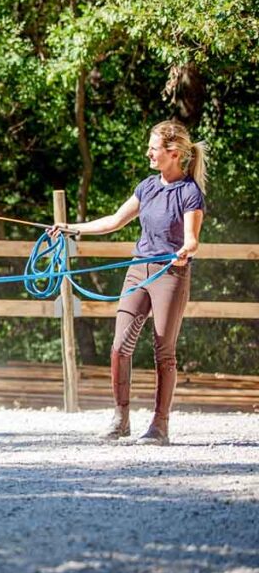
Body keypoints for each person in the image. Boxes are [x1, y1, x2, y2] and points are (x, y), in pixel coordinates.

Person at [50, 120, 207, 445]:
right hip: (138, 269)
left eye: (154, 148)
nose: (148, 152)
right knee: (120, 346)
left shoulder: (190, 193)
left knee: (164, 352)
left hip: (170, 274)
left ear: (173, 153)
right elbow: (115, 221)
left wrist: (184, 251)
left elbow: (192, 240)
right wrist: (72, 228)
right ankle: (121, 419)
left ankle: (160, 426)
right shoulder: (147, 187)